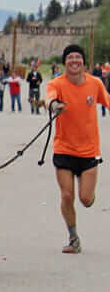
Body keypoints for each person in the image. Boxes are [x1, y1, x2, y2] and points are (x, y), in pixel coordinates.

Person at [46, 44, 110, 255]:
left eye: (78, 57)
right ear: (64, 62)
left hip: (89, 151)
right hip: (64, 149)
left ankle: (89, 195)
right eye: (70, 58)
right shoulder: (57, 83)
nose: (74, 61)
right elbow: (50, 97)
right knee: (66, 196)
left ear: (84, 62)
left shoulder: (95, 83)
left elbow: (107, 102)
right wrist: (54, 105)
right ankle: (73, 238)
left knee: (85, 198)